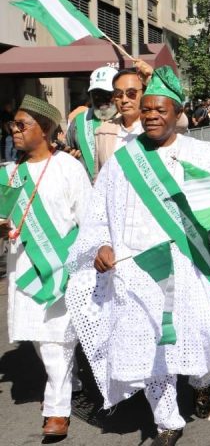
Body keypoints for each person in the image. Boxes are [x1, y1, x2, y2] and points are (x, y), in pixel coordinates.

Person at [65, 67, 210, 446]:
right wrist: (101, 247)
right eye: (146, 109)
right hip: (138, 271)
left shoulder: (203, 155)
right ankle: (167, 421)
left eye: (161, 109)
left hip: (191, 267)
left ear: (177, 113)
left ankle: (202, 380)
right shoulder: (123, 161)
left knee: (196, 339)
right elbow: (99, 215)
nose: (152, 115)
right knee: (151, 347)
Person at [1, 96, 91, 439]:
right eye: (14, 124)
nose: (15, 130)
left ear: (46, 129)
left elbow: (89, 218)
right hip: (25, 267)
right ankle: (72, 379)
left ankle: (57, 410)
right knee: (42, 341)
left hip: (61, 265)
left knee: (56, 341)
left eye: (22, 125)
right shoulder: (10, 173)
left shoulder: (69, 168)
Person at [66, 66, 119, 181]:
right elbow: (67, 150)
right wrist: (68, 157)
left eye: (107, 93)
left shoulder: (128, 121)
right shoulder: (79, 122)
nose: (101, 98)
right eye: (96, 93)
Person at [92, 68, 146, 172]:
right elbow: (98, 176)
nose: (124, 100)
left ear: (144, 93)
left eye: (131, 93)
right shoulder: (103, 131)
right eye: (118, 94)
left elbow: (180, 122)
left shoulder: (156, 127)